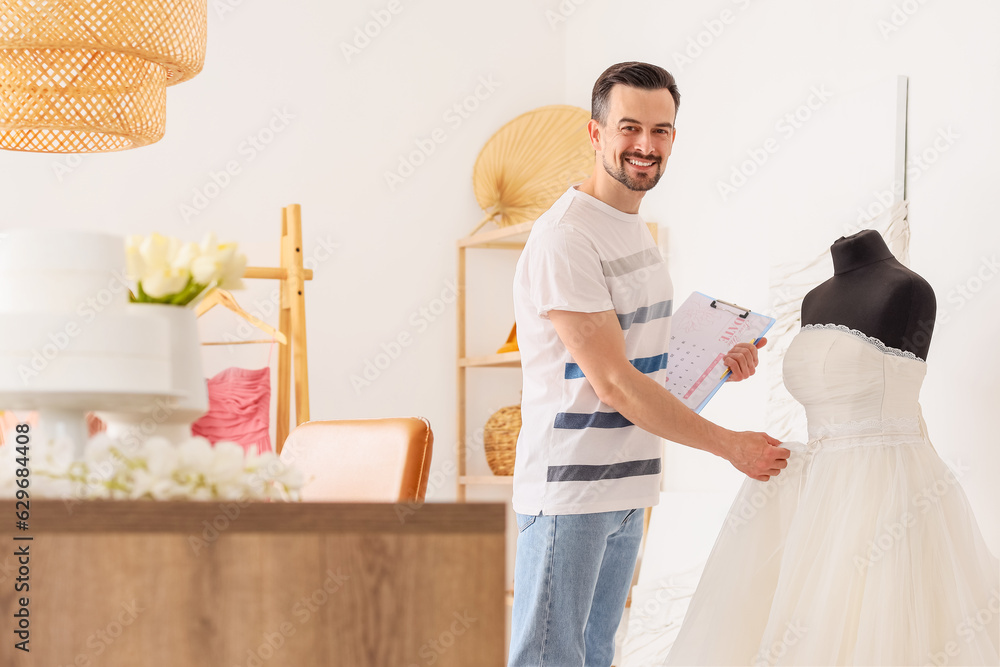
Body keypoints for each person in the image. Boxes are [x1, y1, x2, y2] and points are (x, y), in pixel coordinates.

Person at [508, 61, 790, 667]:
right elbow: (612, 383)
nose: (645, 145)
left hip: (630, 486)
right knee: (550, 658)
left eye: (660, 131)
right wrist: (730, 446)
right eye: (629, 127)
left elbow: (640, 364)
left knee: (595, 655)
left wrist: (714, 363)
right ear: (595, 134)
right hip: (571, 490)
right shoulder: (566, 237)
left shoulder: (633, 230)